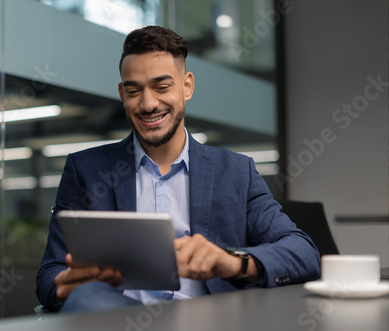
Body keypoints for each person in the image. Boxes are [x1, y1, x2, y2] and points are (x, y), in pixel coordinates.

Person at [36, 25, 320, 313]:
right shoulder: (85, 169)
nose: (148, 104)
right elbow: (49, 275)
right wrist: (69, 284)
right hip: (116, 316)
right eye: (134, 90)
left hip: (209, 319)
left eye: (162, 87)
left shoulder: (235, 171)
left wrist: (231, 262)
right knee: (88, 298)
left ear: (187, 86)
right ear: (122, 94)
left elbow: (303, 253)